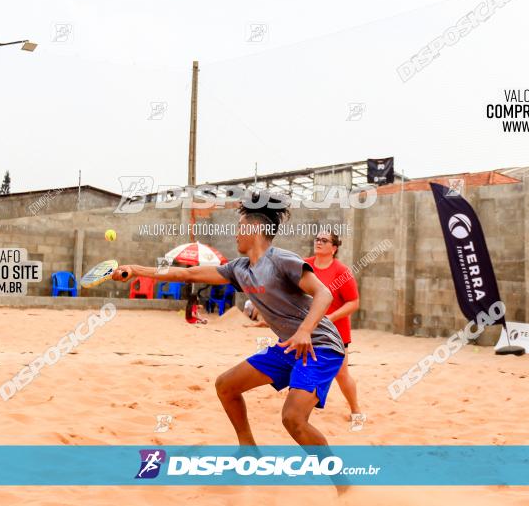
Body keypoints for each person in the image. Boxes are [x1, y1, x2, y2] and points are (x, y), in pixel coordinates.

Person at [111, 192, 346, 451]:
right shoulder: (239, 269)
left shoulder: (281, 260)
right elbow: (187, 273)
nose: (235, 233)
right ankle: (248, 448)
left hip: (320, 346)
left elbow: (324, 293)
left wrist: (304, 331)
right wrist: (136, 269)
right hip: (289, 346)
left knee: (293, 419)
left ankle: (345, 487)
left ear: (256, 228)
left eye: (240, 227)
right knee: (226, 386)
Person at [304, 229, 365, 431]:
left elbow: (353, 302)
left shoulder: (341, 272)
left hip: (335, 332)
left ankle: (356, 410)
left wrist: (328, 318)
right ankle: (302, 411)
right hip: (307, 329)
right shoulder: (305, 266)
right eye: (317, 238)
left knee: (341, 374)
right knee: (304, 368)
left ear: (334, 247)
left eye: (324, 240)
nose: (318, 242)